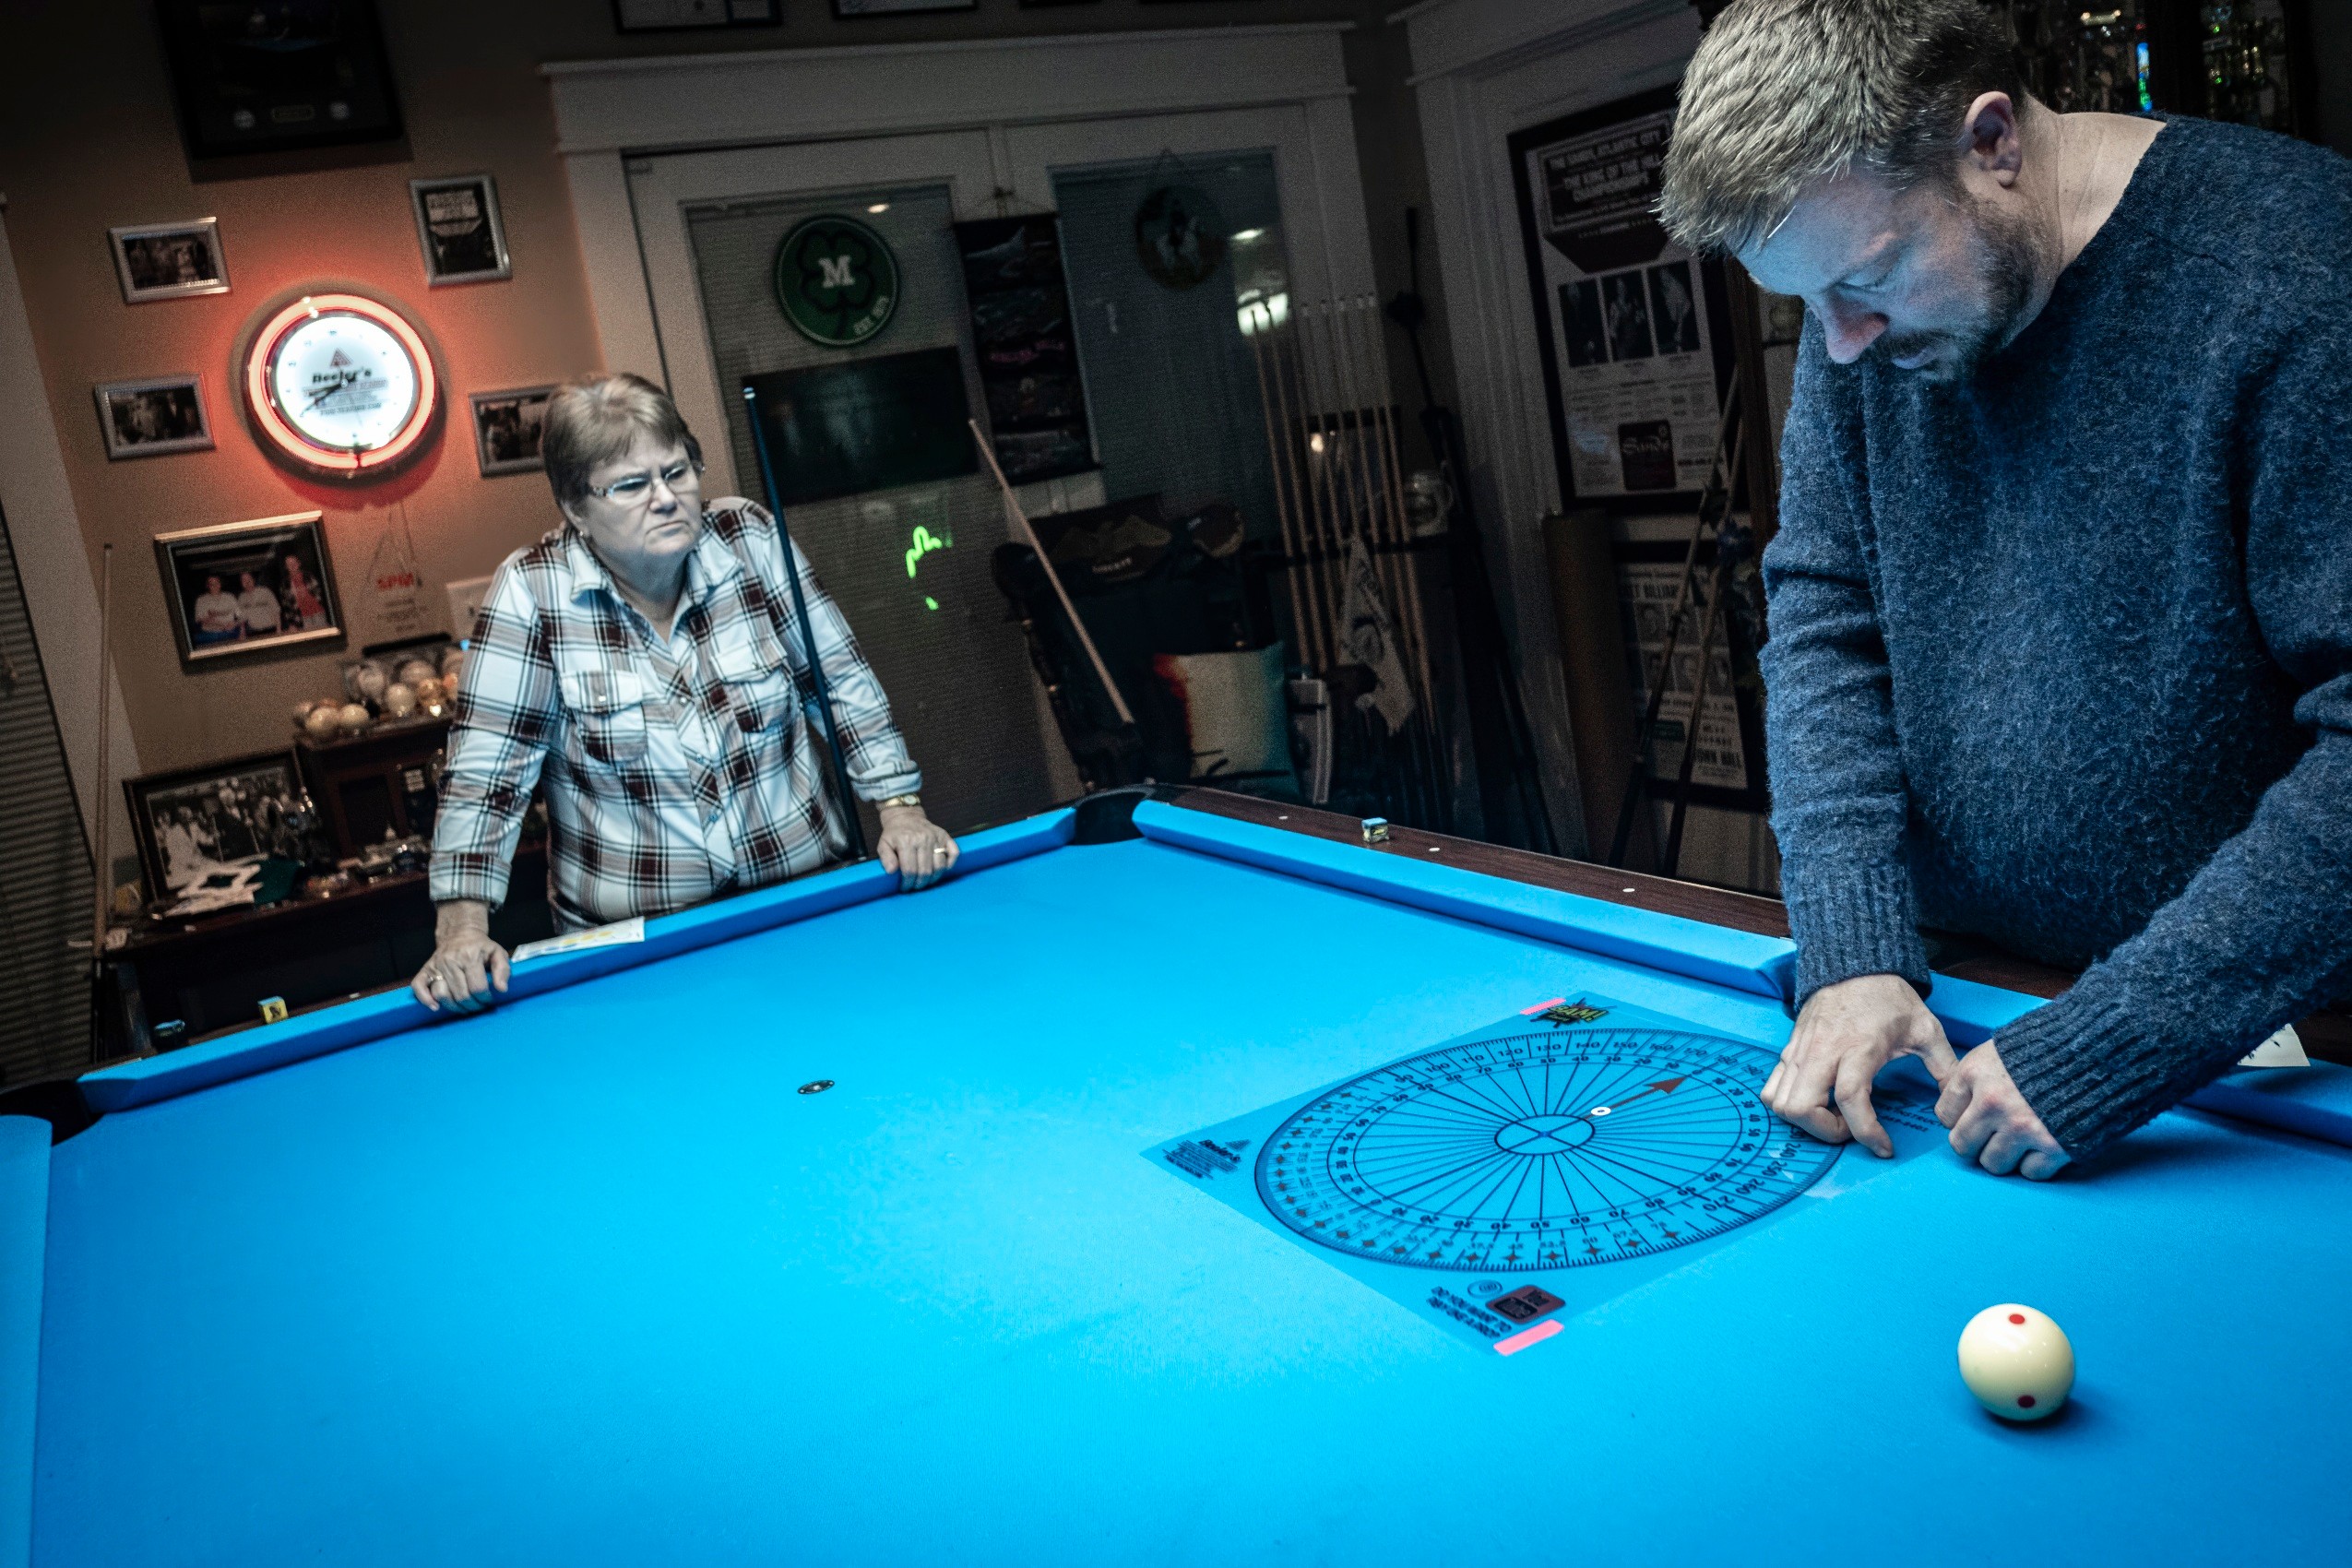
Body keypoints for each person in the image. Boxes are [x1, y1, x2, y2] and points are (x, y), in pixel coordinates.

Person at [1657, 0, 2351, 1177]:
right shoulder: (1864, 312)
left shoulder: (2300, 271)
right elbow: (1827, 621)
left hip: (2263, 1037)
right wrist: (1853, 946)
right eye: (1808, 302)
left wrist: (2118, 1038)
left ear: (1992, 143)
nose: (1841, 344)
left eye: (1867, 277)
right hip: (1972, 989)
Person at [413, 374, 960, 1014]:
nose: (666, 499)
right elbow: (488, 777)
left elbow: (840, 682)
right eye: (631, 485)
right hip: (635, 955)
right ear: (576, 509)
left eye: (676, 472)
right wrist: (461, 929)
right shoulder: (532, 590)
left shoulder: (750, 539)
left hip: (806, 906)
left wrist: (900, 807)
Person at [189, 574, 242, 644]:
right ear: (207, 586)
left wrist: (235, 624)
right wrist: (211, 619)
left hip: (230, 632)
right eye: (211, 584)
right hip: (210, 634)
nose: (215, 586)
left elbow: (240, 615)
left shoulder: (230, 597)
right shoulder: (201, 600)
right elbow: (199, 619)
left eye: (217, 583)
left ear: (220, 584)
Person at [236, 570, 281, 636]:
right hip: (254, 632)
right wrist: (242, 632)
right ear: (241, 583)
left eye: (249, 579)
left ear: (253, 580)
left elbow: (276, 610)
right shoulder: (241, 598)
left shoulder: (265, 591)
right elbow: (241, 617)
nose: (247, 582)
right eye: (244, 580)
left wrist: (279, 629)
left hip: (271, 630)